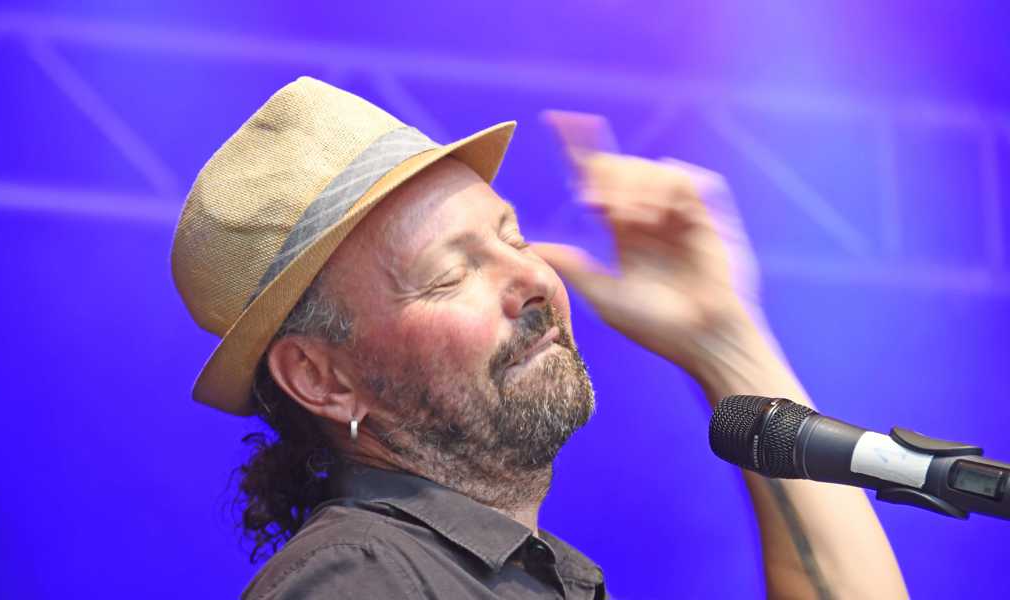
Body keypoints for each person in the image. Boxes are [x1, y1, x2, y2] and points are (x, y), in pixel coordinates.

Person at [171, 77, 908, 599]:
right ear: (321, 378)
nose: (530, 278)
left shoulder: (493, 573)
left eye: (513, 236)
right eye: (449, 273)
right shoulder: (361, 580)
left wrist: (724, 341)